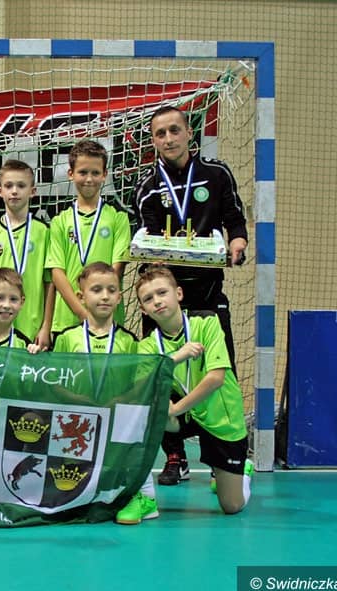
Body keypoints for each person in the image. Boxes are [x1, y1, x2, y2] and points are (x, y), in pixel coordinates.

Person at [134, 105, 248, 485]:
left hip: (207, 295)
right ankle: (175, 456)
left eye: (174, 130)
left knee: (221, 373)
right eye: (160, 133)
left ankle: (221, 460)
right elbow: (144, 238)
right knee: (162, 378)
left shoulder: (216, 174)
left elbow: (234, 219)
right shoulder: (147, 188)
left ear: (188, 133)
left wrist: (237, 242)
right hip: (164, 301)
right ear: (153, 141)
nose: (168, 139)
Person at [135, 266, 253, 515]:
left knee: (231, 505)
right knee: (143, 413)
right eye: (148, 298)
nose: (157, 301)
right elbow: (145, 381)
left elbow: (216, 378)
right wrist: (177, 357)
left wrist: (175, 408)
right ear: (143, 309)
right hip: (186, 417)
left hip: (219, 416)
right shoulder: (147, 346)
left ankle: (242, 472)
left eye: (162, 293)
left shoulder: (207, 322)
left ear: (178, 293)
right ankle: (144, 497)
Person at [52, 262, 153, 524]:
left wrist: (118, 401)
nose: (105, 296)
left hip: (115, 425)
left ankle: (145, 495)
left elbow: (137, 388)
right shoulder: (66, 338)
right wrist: (75, 399)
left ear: (119, 297)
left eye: (111, 290)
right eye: (96, 290)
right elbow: (53, 383)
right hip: (76, 424)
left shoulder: (129, 341)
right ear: (81, 296)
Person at [47, 140, 131, 337]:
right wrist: (83, 314)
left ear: (105, 174)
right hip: (67, 320)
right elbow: (57, 273)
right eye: (83, 172)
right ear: (71, 174)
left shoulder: (118, 219)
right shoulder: (60, 221)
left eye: (95, 173)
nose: (89, 179)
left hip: (107, 319)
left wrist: (96, 314)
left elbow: (116, 270)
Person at [0, 159, 54, 350]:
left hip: (32, 327)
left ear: (32, 191)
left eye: (21, 186)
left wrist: (46, 327)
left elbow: (49, 283)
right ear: (0, 191)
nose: (14, 191)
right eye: (9, 185)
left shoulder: (43, 232)